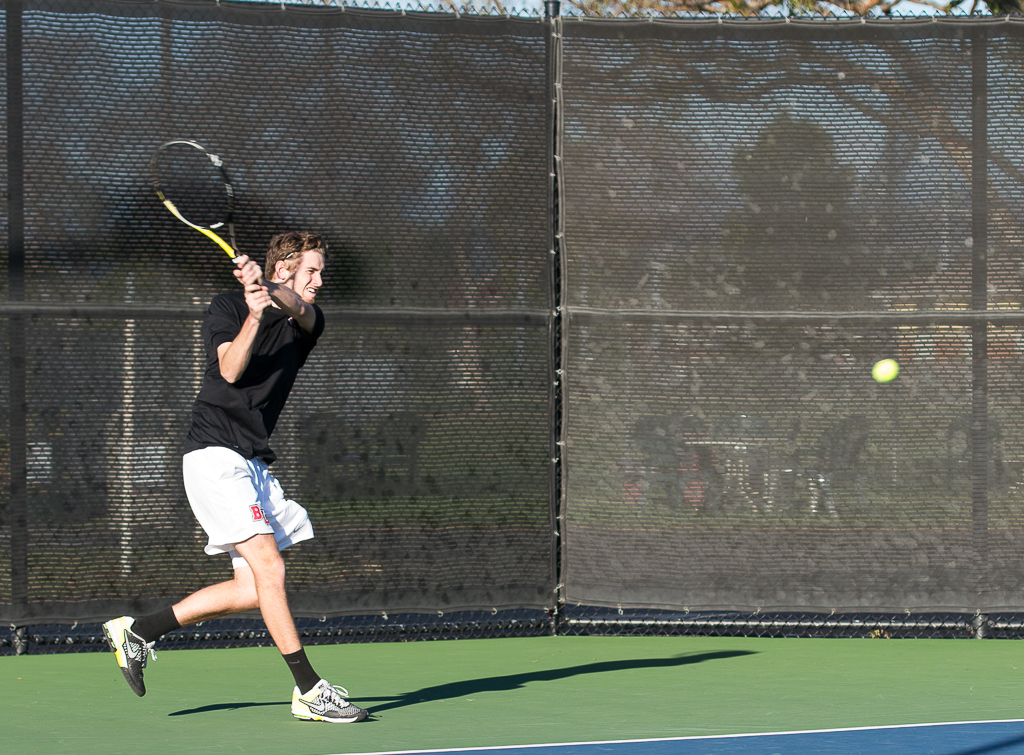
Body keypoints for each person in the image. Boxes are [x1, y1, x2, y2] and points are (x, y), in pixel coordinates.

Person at [102, 231, 366, 724]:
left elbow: (301, 310)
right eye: (311, 271)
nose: (319, 281)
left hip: (254, 463)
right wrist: (251, 311)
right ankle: (309, 691)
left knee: (253, 590)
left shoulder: (306, 321)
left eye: (322, 272)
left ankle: (138, 631)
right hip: (213, 454)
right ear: (287, 267)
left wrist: (269, 287)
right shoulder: (226, 306)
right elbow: (228, 370)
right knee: (271, 570)